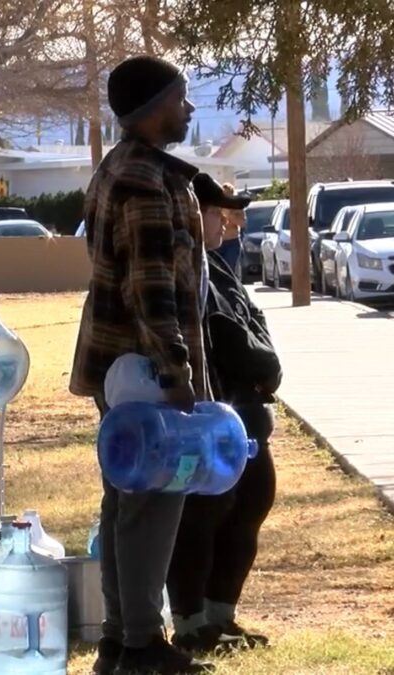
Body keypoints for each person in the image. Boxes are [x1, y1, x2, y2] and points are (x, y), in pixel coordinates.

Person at [69, 55, 214, 675]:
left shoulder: (127, 167)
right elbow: (150, 287)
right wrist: (177, 372)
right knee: (153, 500)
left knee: (124, 499)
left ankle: (118, 640)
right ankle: (141, 646)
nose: (188, 109)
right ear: (153, 109)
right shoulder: (143, 180)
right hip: (143, 370)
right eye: (181, 99)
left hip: (121, 365)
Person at [166, 174, 280, 653]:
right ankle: (192, 622)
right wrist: (261, 365)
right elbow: (228, 338)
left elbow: (254, 320)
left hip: (248, 416)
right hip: (212, 416)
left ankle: (221, 615)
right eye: (217, 213)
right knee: (204, 515)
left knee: (251, 503)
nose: (227, 223)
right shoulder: (188, 265)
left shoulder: (219, 264)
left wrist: (265, 365)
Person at [213, 182, 245, 272]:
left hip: (232, 242)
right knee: (217, 269)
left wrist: (230, 215)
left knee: (230, 269)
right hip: (218, 242)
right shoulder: (217, 206)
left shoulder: (237, 207)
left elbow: (243, 223)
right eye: (224, 193)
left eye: (228, 193)